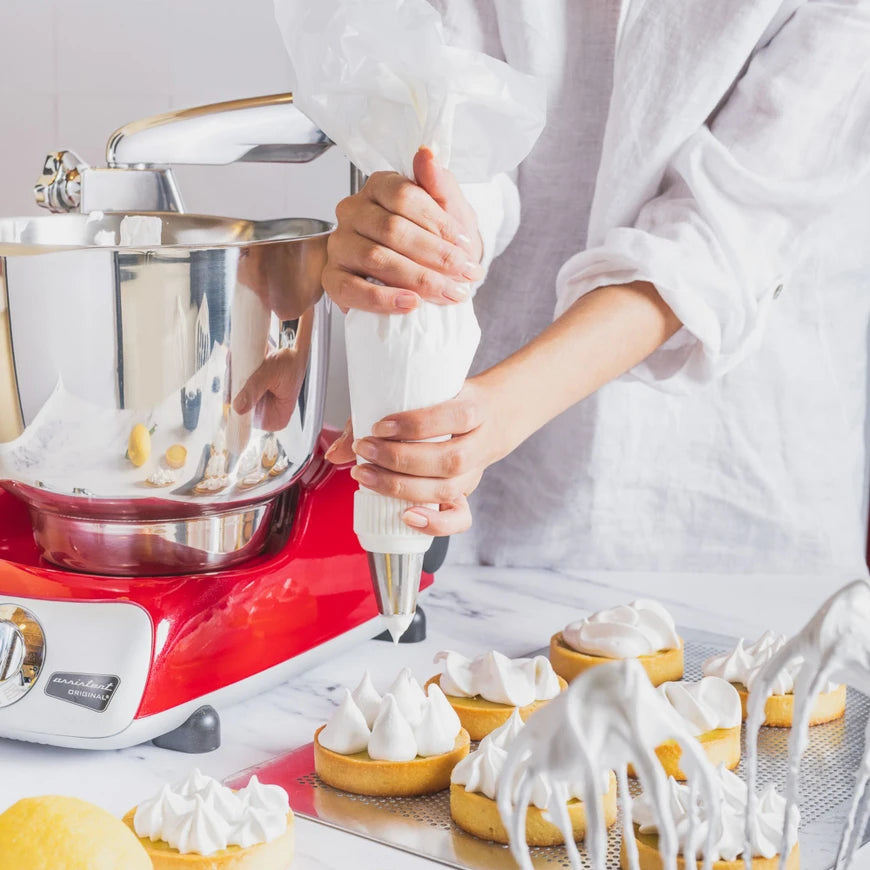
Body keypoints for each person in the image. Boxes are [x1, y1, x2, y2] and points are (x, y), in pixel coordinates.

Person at [247, 1, 870, 574]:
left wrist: (490, 418)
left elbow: (718, 241)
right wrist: (432, 231)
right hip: (503, 514)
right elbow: (460, 123)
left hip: (737, 513)